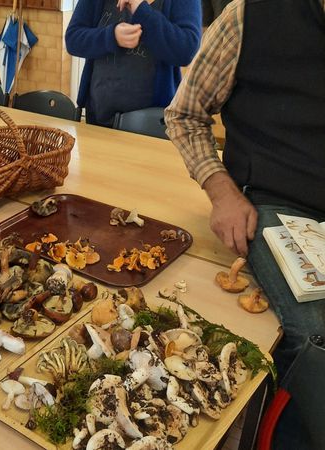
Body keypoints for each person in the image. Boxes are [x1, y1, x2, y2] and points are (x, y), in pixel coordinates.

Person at [165, 0, 325, 447]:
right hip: (275, 204)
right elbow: (183, 114)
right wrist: (221, 191)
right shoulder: (250, 16)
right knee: (318, 334)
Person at [65, 0, 201, 127]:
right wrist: (111, 36)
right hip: (98, 116)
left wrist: (142, 11)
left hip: (153, 125)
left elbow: (186, 50)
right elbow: (73, 39)